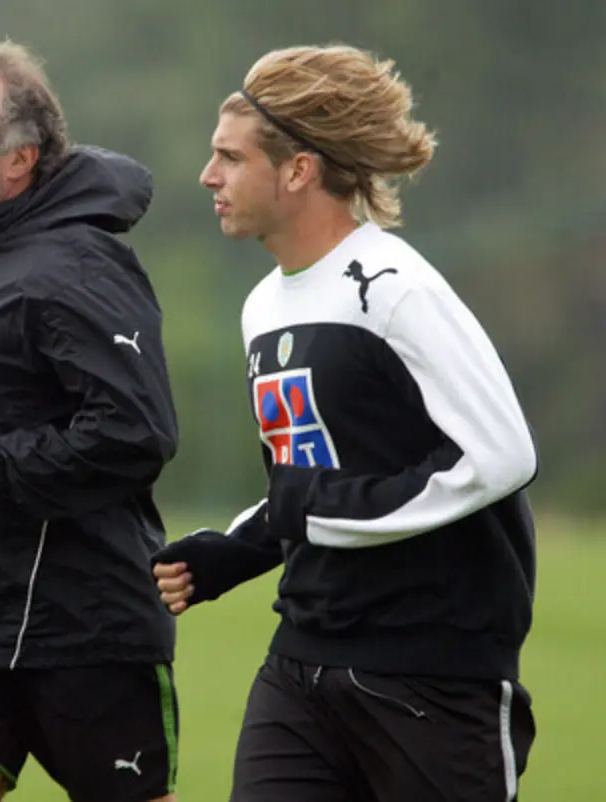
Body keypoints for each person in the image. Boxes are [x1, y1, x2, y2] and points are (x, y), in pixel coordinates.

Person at [152, 44, 539, 802]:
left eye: (229, 158)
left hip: (433, 677)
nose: (208, 177)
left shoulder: (397, 288)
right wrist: (239, 549)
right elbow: (311, 477)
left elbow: (500, 457)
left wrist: (315, 515)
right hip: (302, 665)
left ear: (297, 171)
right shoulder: (261, 306)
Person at [0, 39, 181, 802]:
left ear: (18, 162)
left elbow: (139, 429)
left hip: (81, 635)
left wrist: (0, 465)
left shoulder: (79, 262)